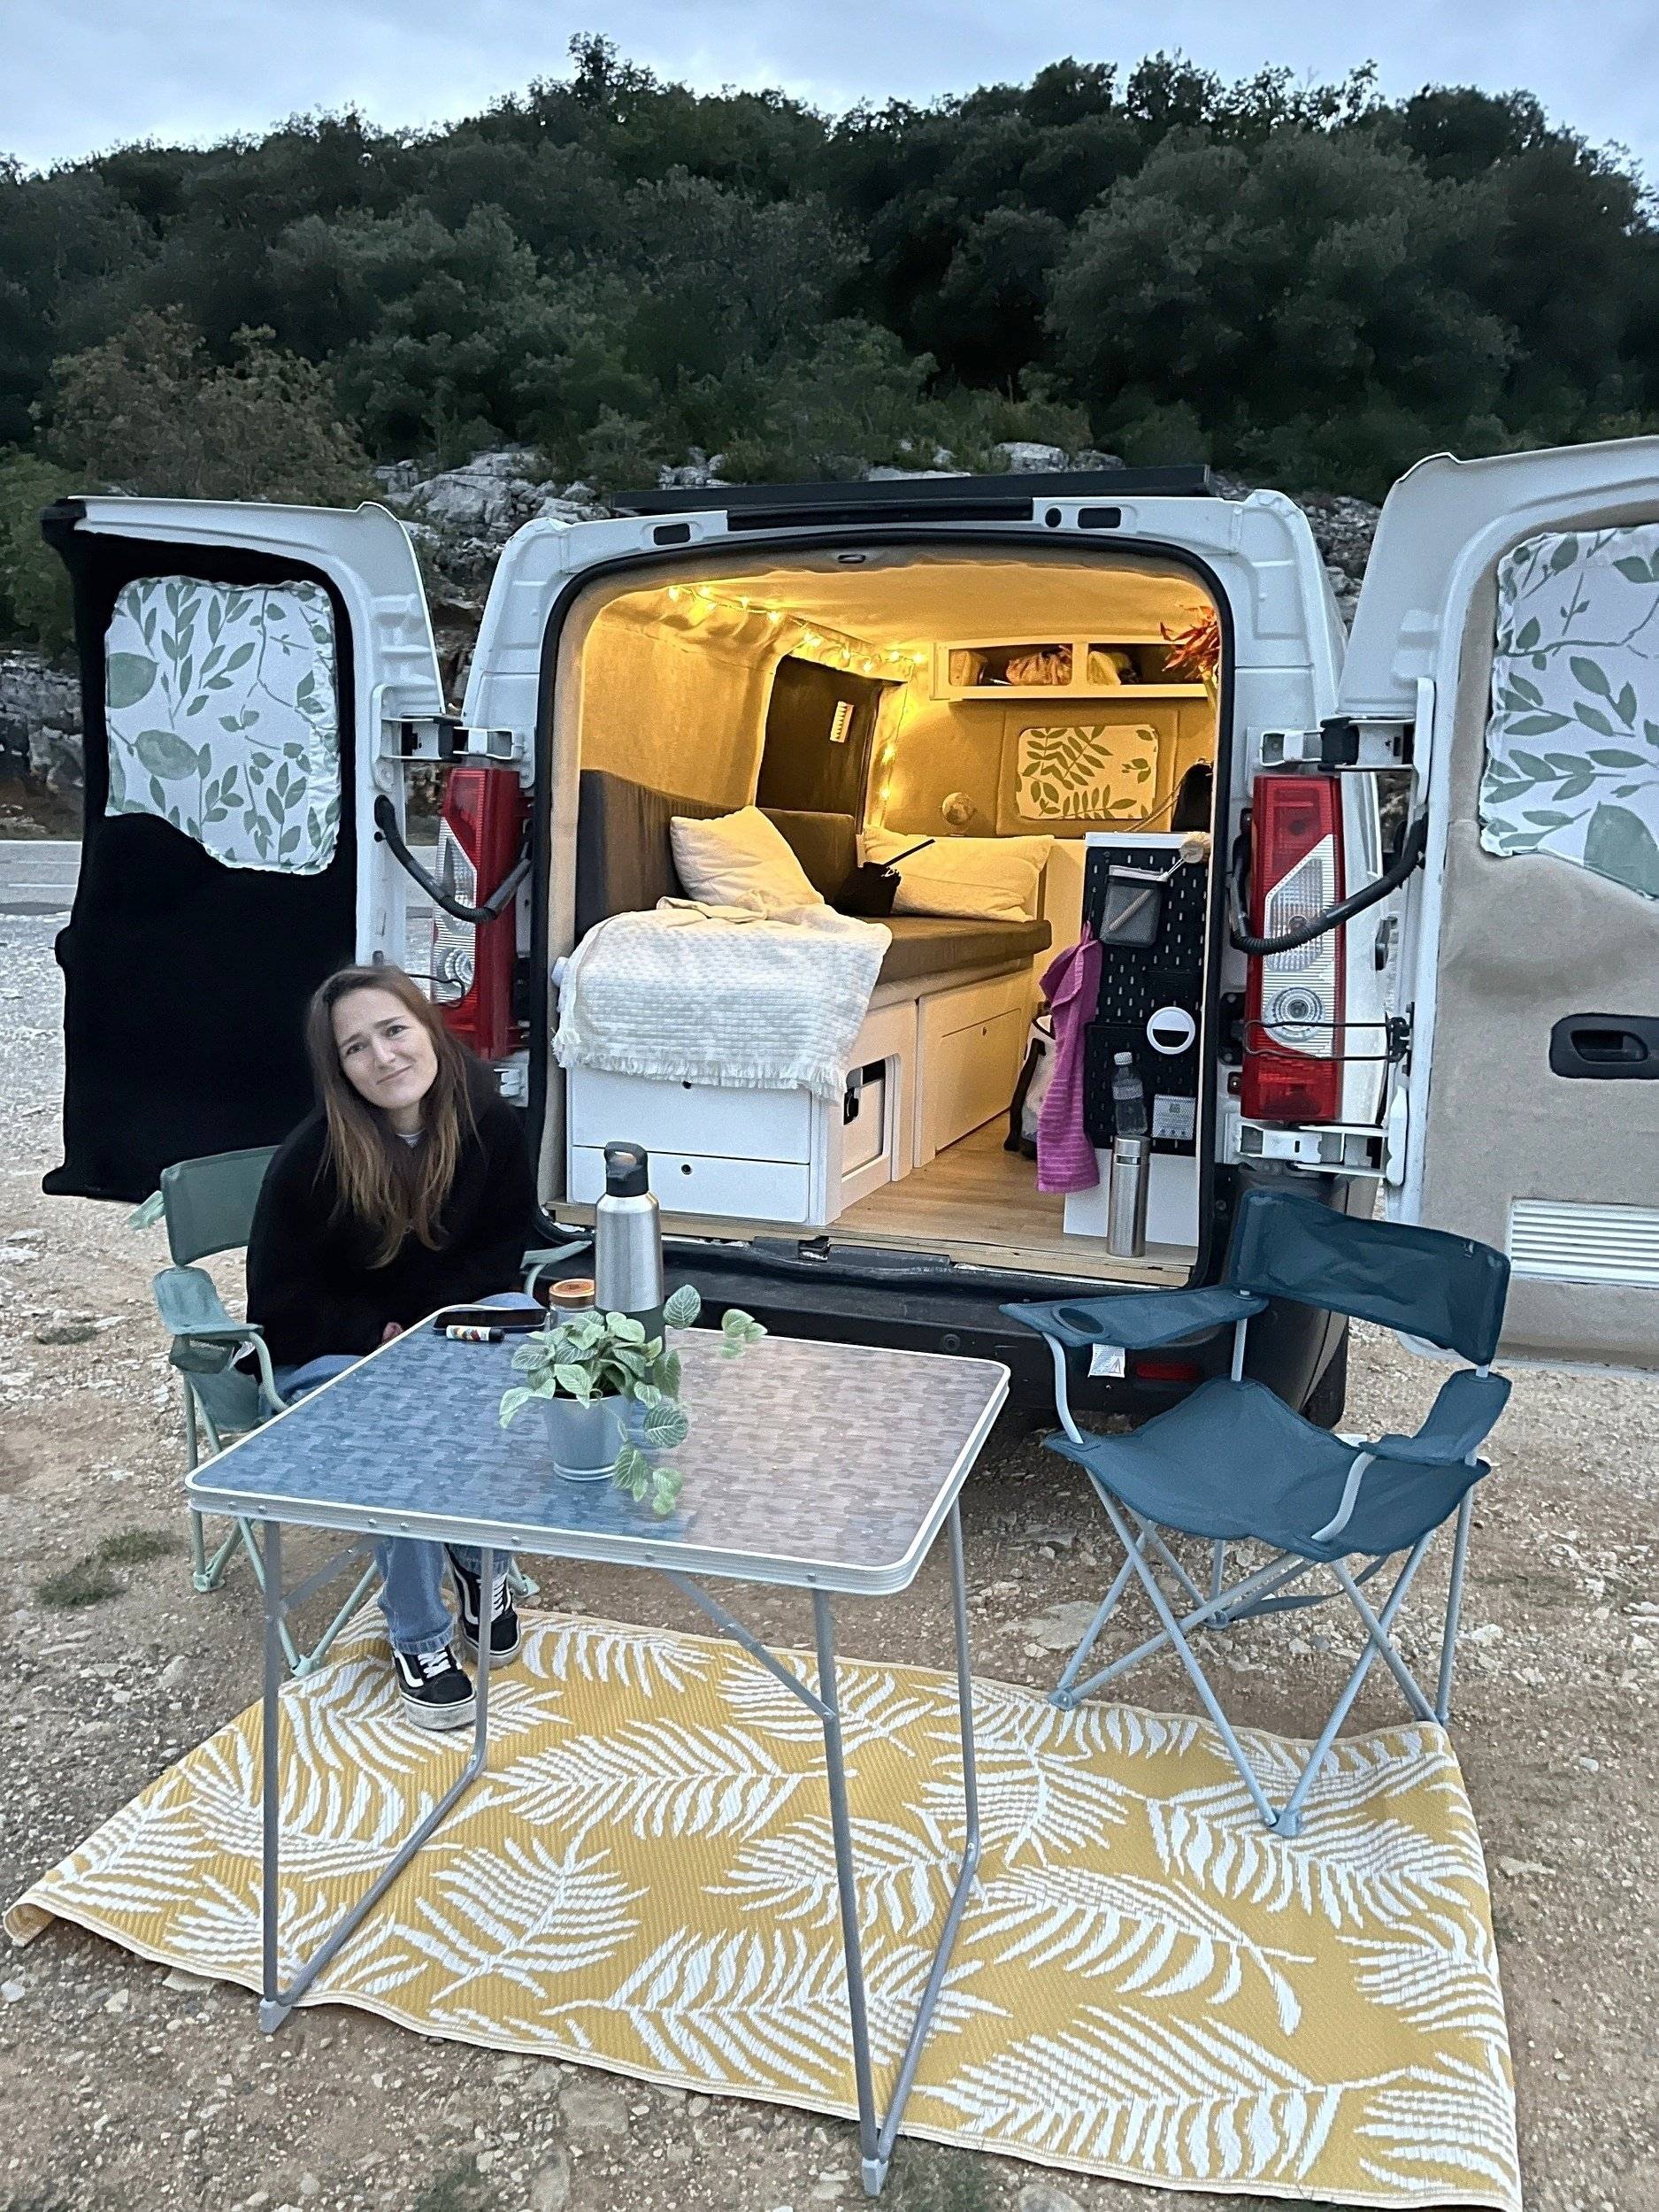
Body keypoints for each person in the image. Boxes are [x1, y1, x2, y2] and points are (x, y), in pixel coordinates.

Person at [247, 963, 540, 1730]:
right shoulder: (312, 1159)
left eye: (393, 1030)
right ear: (338, 1070)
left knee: (521, 1336)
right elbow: (280, 1306)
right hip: (333, 1354)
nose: (382, 1057)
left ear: (428, 1029)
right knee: (402, 1429)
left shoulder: (489, 1122)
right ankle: (419, 1634)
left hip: (440, 1332)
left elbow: (499, 1256)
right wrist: (380, 1335)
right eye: (355, 1047)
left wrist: (430, 1330)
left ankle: (476, 1560)